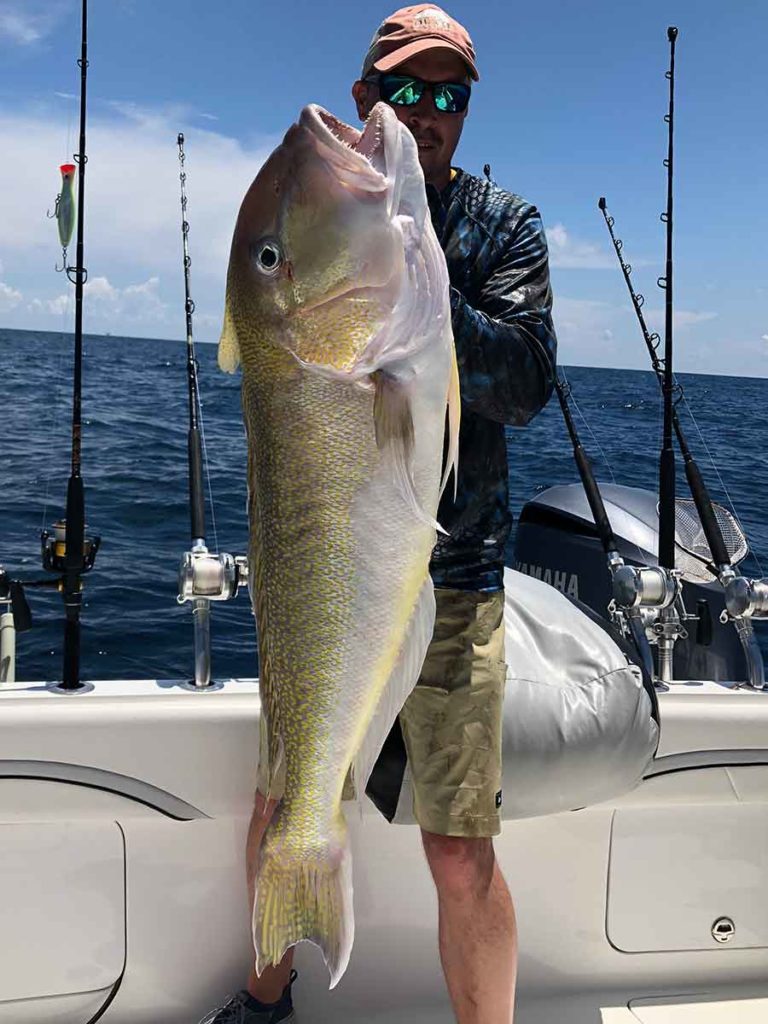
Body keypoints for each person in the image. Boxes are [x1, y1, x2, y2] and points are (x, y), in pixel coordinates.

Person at [203, 5, 557, 1023]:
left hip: (460, 580)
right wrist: (385, 284)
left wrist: (422, 300)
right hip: (324, 577)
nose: (429, 112)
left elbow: (527, 381)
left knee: (458, 847)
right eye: (407, 89)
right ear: (369, 95)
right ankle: (264, 997)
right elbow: (281, 322)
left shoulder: (504, 227)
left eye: (451, 94)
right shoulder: (342, 209)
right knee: (290, 796)